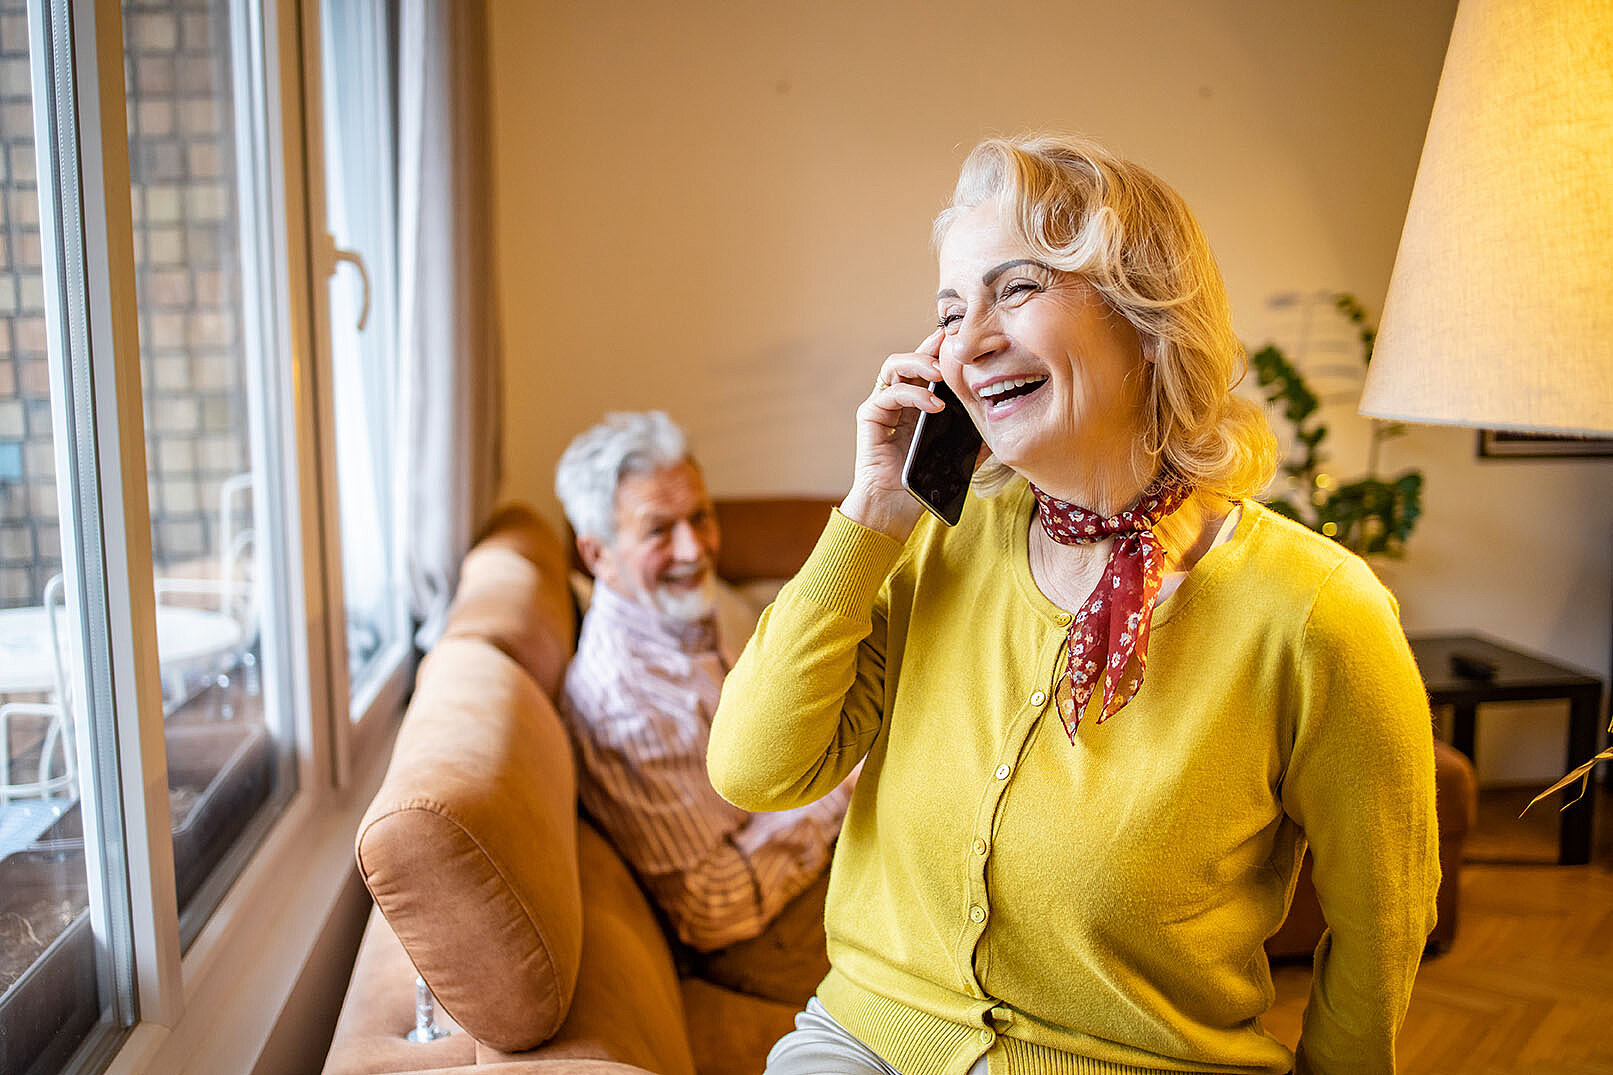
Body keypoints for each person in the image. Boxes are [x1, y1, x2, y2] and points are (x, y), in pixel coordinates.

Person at [708, 135, 1440, 1075]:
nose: (968, 341)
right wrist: (872, 511)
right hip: (865, 1040)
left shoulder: (1314, 611)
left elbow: (1381, 922)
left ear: (1146, 319)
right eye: (948, 309)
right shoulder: (933, 536)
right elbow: (756, 769)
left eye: (1015, 289)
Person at [555, 410, 853, 977]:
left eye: (700, 517)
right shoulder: (630, 705)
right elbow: (715, 907)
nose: (694, 551)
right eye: (659, 531)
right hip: (769, 930)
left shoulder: (688, 612)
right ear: (597, 556)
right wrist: (842, 782)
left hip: (810, 846)